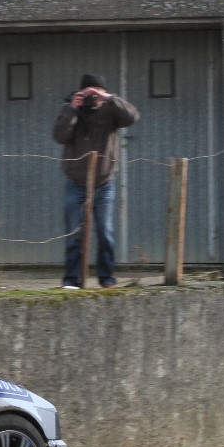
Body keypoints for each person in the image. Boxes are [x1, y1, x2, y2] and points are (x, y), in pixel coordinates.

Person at [52, 73, 138, 290]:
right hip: (75, 182)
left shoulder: (111, 110)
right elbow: (59, 136)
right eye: (88, 93)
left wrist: (109, 98)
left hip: (104, 182)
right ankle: (72, 280)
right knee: (74, 234)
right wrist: (73, 109)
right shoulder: (71, 108)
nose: (92, 98)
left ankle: (107, 278)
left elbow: (132, 117)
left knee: (105, 232)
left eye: (96, 93)